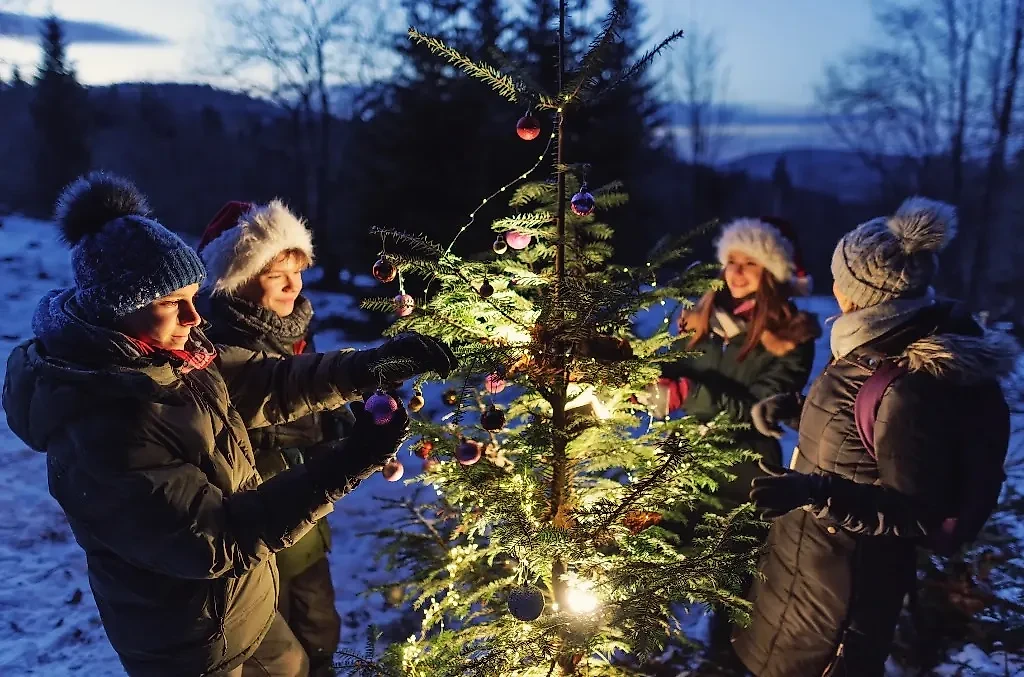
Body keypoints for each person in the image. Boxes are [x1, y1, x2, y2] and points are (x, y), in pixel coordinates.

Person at [2, 172, 458, 676]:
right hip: (188, 640)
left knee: (296, 665)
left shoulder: (175, 356)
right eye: (171, 303)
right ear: (117, 309)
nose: (195, 318)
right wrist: (348, 462)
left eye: (193, 296)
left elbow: (270, 382)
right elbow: (216, 537)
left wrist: (371, 366)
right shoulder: (105, 427)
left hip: (245, 605)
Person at [733, 198, 1019, 676]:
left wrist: (813, 491)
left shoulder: (908, 382)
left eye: (837, 277)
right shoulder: (874, 340)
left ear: (854, 291)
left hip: (841, 602)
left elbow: (914, 510)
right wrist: (797, 410)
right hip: (807, 569)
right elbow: (864, 439)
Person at [659, 217, 820, 671]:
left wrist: (688, 395)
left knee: (734, 587)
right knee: (654, 562)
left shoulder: (792, 336)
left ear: (772, 271)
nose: (736, 272)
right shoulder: (700, 318)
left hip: (744, 473)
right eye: (731, 261)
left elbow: (760, 407)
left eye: (750, 263)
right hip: (684, 462)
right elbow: (671, 369)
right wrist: (644, 381)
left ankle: (726, 661)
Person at [196, 199, 344, 676]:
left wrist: (337, 422)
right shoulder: (218, 342)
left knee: (318, 619)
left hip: (305, 503)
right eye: (276, 275)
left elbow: (312, 399)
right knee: (273, 635)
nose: (292, 285)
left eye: (296, 271)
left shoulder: (292, 327)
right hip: (257, 510)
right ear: (237, 280)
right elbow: (252, 411)